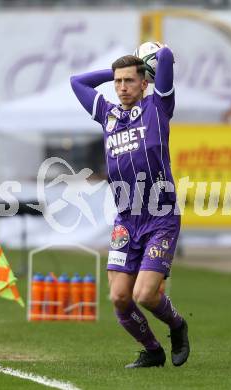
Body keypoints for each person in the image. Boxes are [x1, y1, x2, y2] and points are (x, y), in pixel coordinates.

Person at [70, 45, 190, 368]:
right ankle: (153, 351)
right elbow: (76, 82)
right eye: (117, 81)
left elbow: (165, 58)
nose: (122, 87)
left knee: (145, 295)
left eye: (128, 81)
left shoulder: (158, 107)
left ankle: (177, 325)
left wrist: (154, 53)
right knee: (120, 297)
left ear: (144, 83)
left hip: (160, 215)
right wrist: (113, 71)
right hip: (126, 219)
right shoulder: (107, 114)